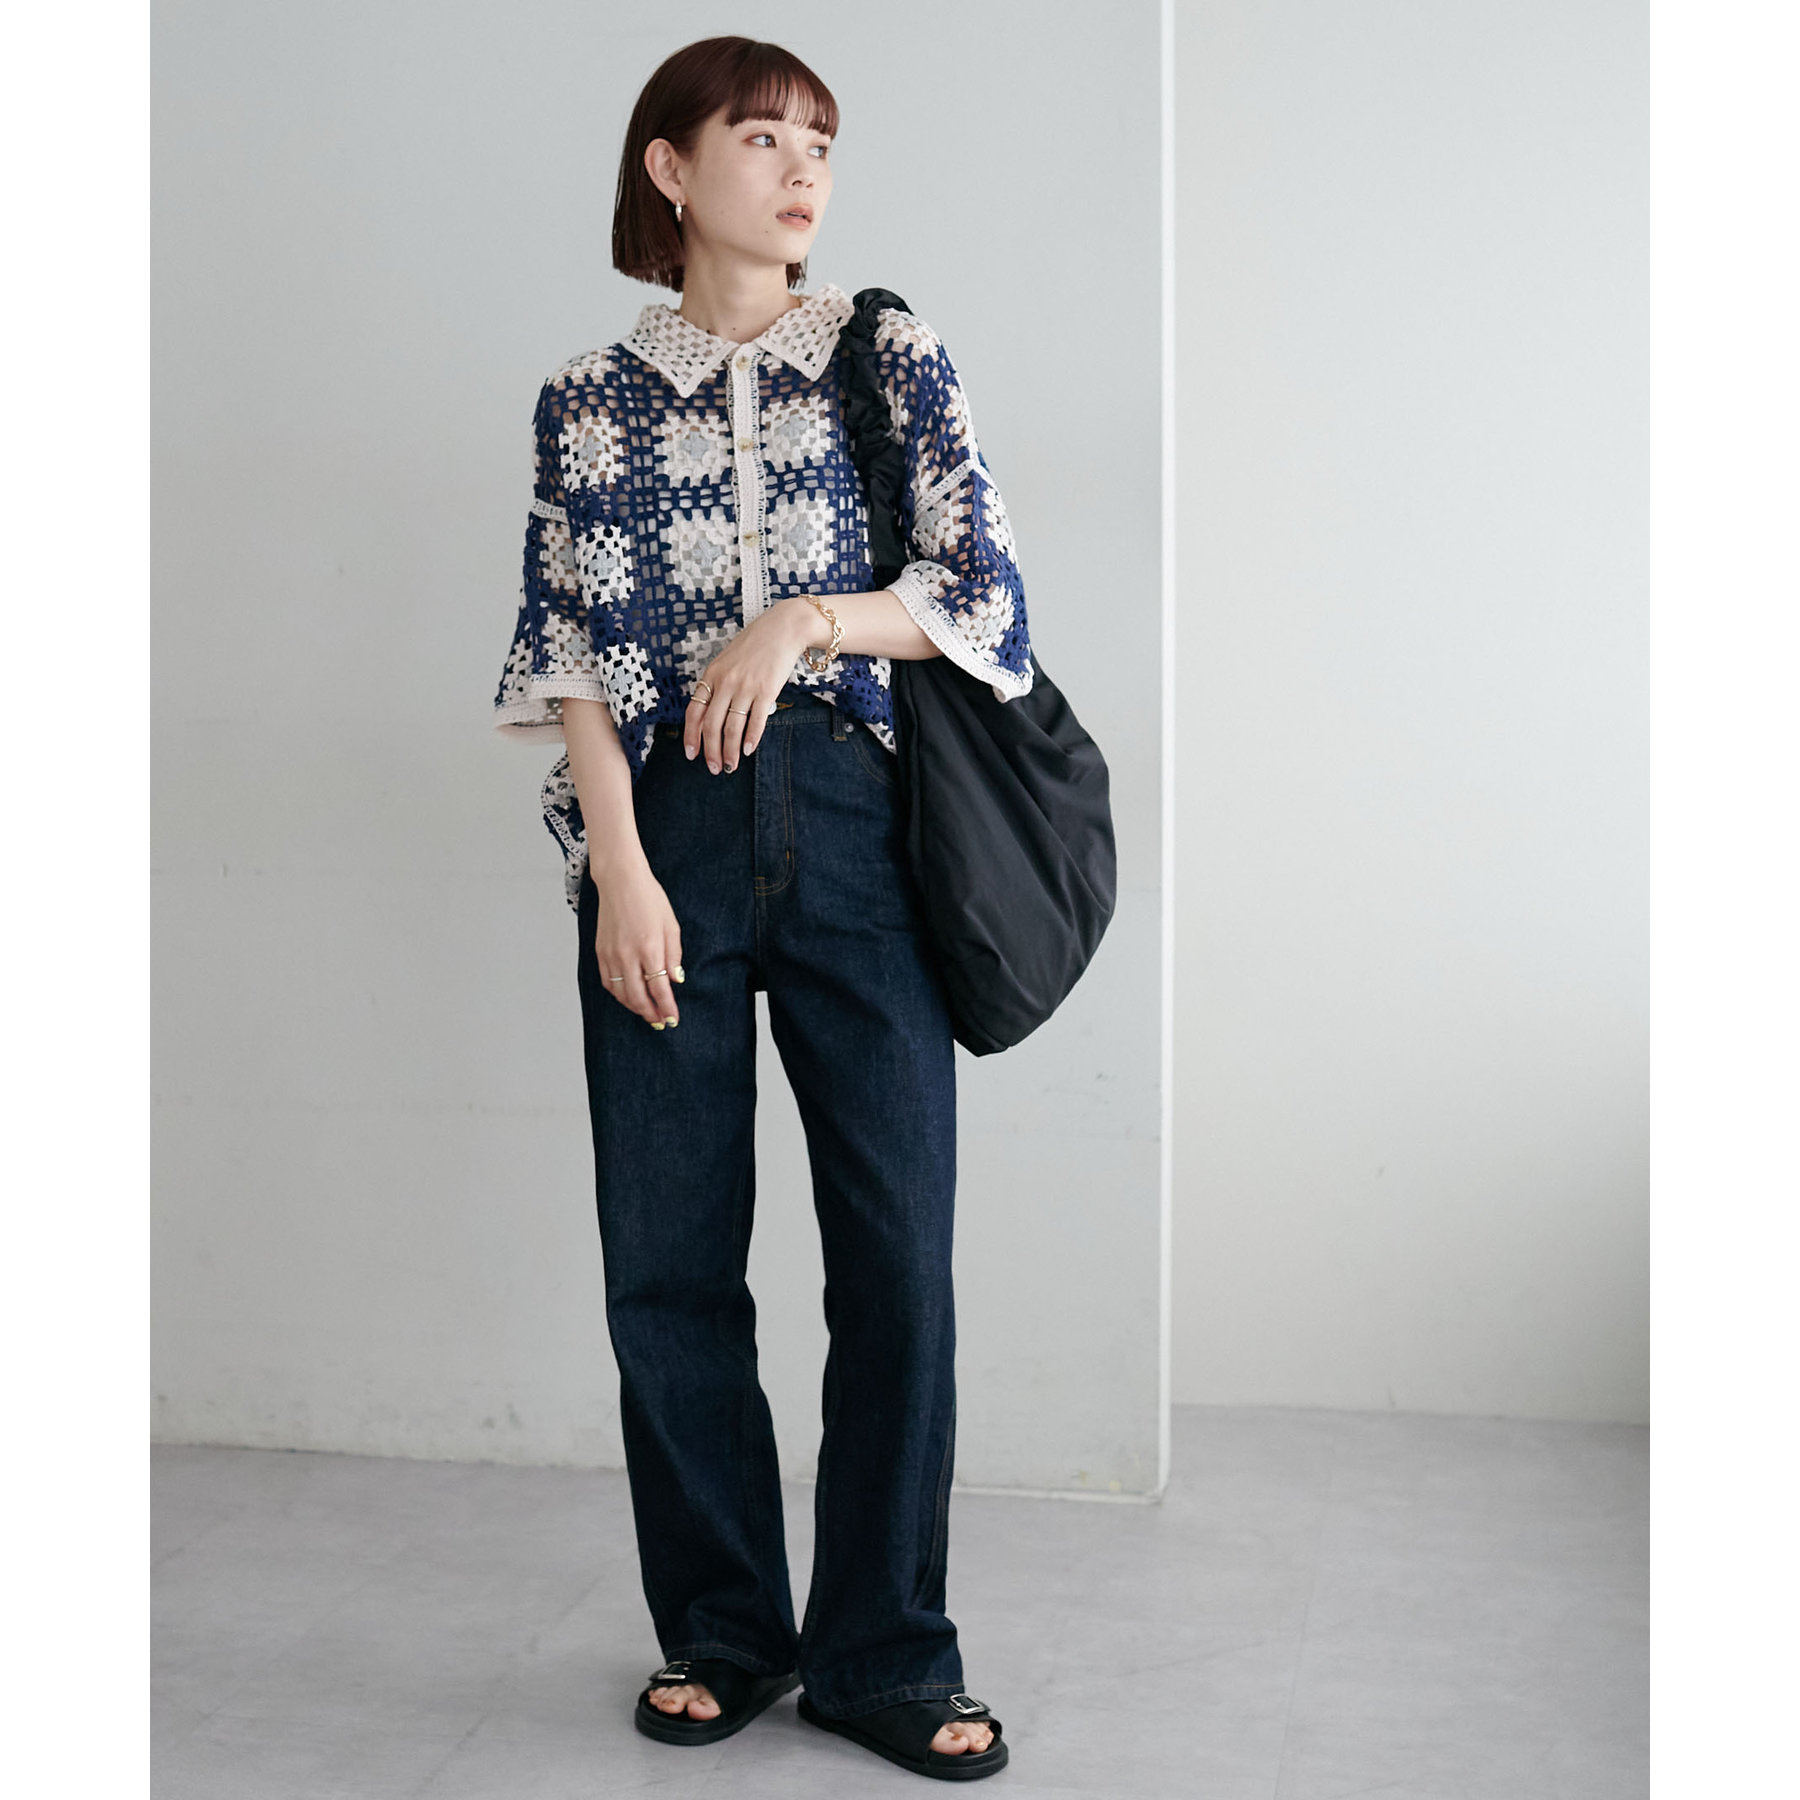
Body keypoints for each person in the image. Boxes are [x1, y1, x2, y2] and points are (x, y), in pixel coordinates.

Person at [491, 33, 1032, 1783]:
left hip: (862, 830)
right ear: (670, 167)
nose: (803, 172)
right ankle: (725, 1631)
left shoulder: (885, 354)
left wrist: (798, 621)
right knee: (667, 1260)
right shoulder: (585, 398)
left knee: (898, 1264)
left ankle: (884, 1652)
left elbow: (980, 597)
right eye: (762, 138)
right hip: (669, 837)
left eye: (821, 144)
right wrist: (620, 873)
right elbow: (569, 652)